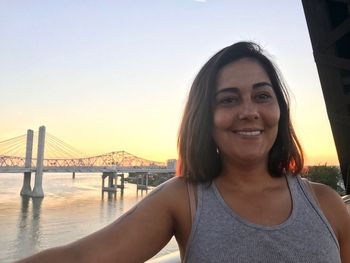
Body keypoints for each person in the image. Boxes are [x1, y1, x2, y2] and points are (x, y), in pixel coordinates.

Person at [17, 42, 350, 263]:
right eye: (229, 99)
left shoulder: (328, 204)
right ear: (204, 118)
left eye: (263, 96)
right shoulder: (185, 199)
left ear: (280, 109)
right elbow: (83, 258)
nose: (249, 112)